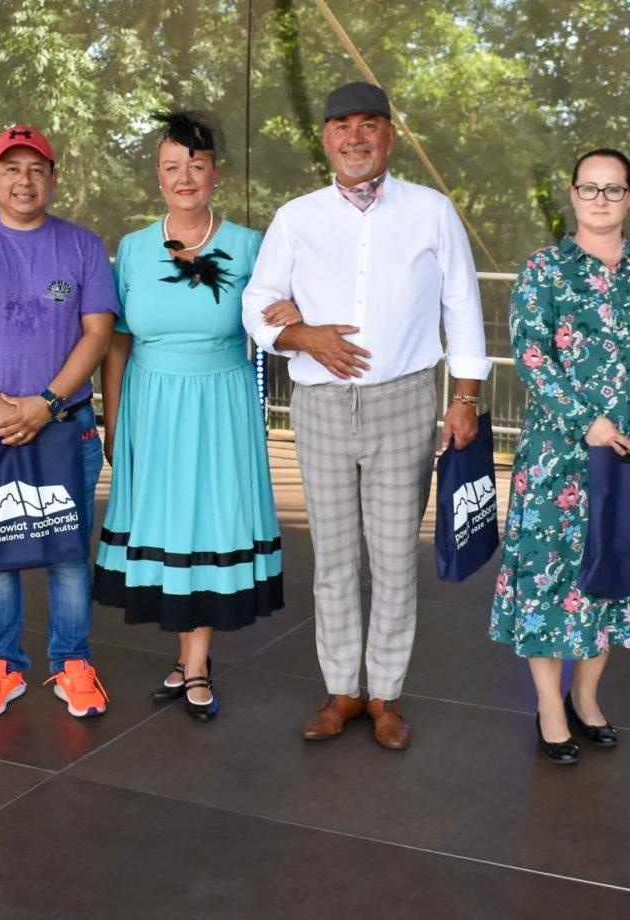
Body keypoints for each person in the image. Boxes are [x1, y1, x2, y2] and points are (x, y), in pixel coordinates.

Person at [242, 82, 491, 750]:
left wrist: (464, 397)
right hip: (321, 405)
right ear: (325, 137)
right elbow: (258, 302)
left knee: (391, 560)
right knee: (333, 562)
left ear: (391, 135)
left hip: (405, 400)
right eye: (341, 126)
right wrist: (306, 336)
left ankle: (385, 696)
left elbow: (462, 305)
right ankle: (341, 692)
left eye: (369, 125)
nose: (354, 137)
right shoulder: (297, 217)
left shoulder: (431, 211)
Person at [490, 149, 630, 764]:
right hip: (560, 458)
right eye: (589, 188)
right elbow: (531, 356)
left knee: (613, 577)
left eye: (613, 189)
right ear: (573, 196)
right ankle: (551, 707)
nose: (601, 200)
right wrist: (587, 421)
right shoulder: (544, 270)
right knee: (551, 581)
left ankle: (588, 696)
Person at [94, 112, 292, 721]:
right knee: (171, 528)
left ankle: (196, 663)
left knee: (209, 525)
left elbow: (280, 317)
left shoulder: (253, 245)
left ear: (215, 174)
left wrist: (296, 309)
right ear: (158, 176)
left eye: (196, 166)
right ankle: (186, 658)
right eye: (172, 167)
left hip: (222, 400)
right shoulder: (130, 248)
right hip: (150, 401)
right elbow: (117, 341)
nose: (185, 178)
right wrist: (113, 418)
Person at [0, 125, 117, 720]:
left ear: (53, 179)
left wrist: (47, 404)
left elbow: (98, 333)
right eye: (12, 168)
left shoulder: (82, 246)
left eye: (36, 169)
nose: (24, 180)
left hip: (65, 423)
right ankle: (1, 665)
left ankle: (72, 662)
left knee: (66, 549)